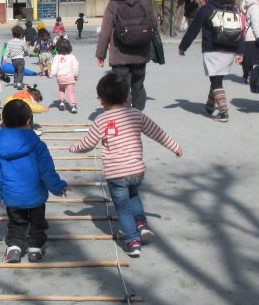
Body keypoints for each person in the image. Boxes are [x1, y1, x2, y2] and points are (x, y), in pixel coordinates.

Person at [70, 73, 182, 258]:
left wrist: (75, 148)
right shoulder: (136, 114)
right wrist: (175, 147)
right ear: (127, 97)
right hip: (136, 171)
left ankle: (132, 241)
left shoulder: (101, 120)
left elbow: (88, 144)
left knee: (122, 208)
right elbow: (157, 132)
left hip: (116, 174)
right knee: (134, 195)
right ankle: (142, 224)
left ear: (102, 100)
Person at [0, 99, 68, 263]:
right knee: (37, 223)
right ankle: (35, 249)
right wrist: (58, 187)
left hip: (12, 197)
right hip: (36, 196)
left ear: (4, 121)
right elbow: (47, 171)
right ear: (29, 121)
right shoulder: (38, 144)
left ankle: (14, 248)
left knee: (16, 223)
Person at [178, 0, 241, 123]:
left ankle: (224, 113)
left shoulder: (207, 9)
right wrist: (240, 51)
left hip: (213, 49)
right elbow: (239, 30)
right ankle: (209, 105)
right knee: (217, 78)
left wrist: (183, 47)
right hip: (230, 49)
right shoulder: (232, 8)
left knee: (216, 80)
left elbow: (193, 30)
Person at [96, 0, 155, 111]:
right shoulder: (144, 0)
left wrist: (101, 54)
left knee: (121, 89)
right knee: (138, 86)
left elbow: (105, 31)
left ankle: (124, 118)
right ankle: (138, 116)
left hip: (120, 55)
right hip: (140, 53)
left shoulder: (114, 3)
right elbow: (154, 23)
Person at [241, 0, 259, 81]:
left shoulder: (254, 5)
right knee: (252, 59)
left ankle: (249, 76)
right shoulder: (254, 7)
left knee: (249, 58)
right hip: (253, 36)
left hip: (251, 36)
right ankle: (250, 76)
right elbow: (256, 23)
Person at [50, 37, 80, 114]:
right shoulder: (72, 57)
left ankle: (62, 102)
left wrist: (51, 75)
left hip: (60, 78)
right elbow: (76, 67)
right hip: (70, 77)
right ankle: (73, 106)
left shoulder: (56, 57)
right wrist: (76, 76)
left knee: (61, 89)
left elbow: (54, 68)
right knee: (71, 92)